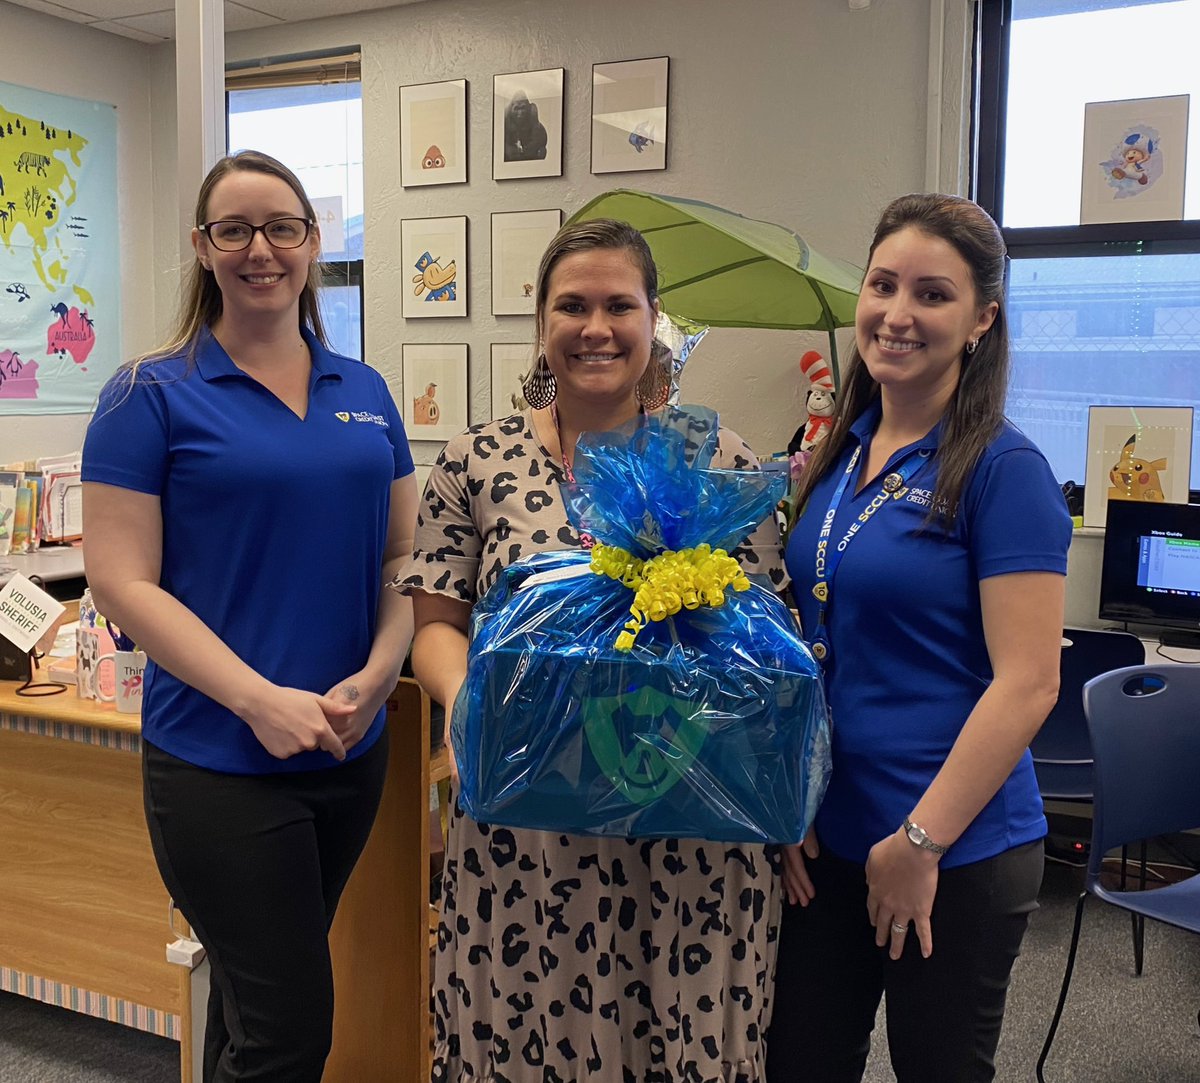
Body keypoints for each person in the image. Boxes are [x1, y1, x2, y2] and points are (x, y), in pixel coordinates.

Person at [394, 218, 787, 1082]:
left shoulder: (718, 460)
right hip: (525, 827)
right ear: (542, 322)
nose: (596, 327)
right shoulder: (476, 460)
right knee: (524, 1033)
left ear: (655, 321)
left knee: (674, 1042)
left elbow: (768, 641)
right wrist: (468, 707)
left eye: (619, 305)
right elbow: (435, 624)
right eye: (572, 305)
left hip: (688, 826)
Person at [81, 150, 417, 1083]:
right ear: (202, 246)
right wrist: (260, 699)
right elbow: (120, 581)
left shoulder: (365, 392)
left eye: (282, 228)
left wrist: (386, 663)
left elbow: (403, 557)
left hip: (347, 755)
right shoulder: (147, 392)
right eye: (234, 229)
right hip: (217, 763)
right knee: (290, 1033)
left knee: (251, 996)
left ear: (314, 243)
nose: (259, 249)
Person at [767, 193, 1071, 1083]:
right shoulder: (842, 452)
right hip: (828, 839)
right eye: (883, 285)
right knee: (798, 1064)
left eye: (932, 295)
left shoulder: (1003, 470)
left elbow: (1029, 682)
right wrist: (787, 800)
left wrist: (920, 842)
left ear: (981, 319)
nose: (898, 314)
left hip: (953, 847)